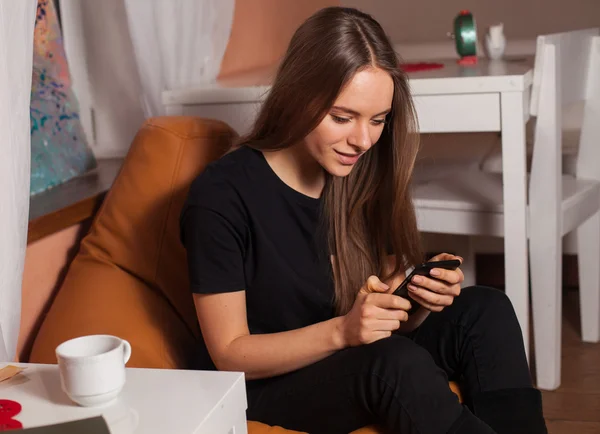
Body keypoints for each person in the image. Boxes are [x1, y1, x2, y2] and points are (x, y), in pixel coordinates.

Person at [180, 6, 548, 434]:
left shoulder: (358, 173)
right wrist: (344, 332)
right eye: (342, 117)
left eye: (378, 120)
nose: (362, 140)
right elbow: (229, 353)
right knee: (394, 363)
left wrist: (416, 299)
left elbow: (372, 312)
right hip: (262, 385)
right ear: (297, 95)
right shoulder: (222, 196)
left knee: (486, 309)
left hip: (347, 357)